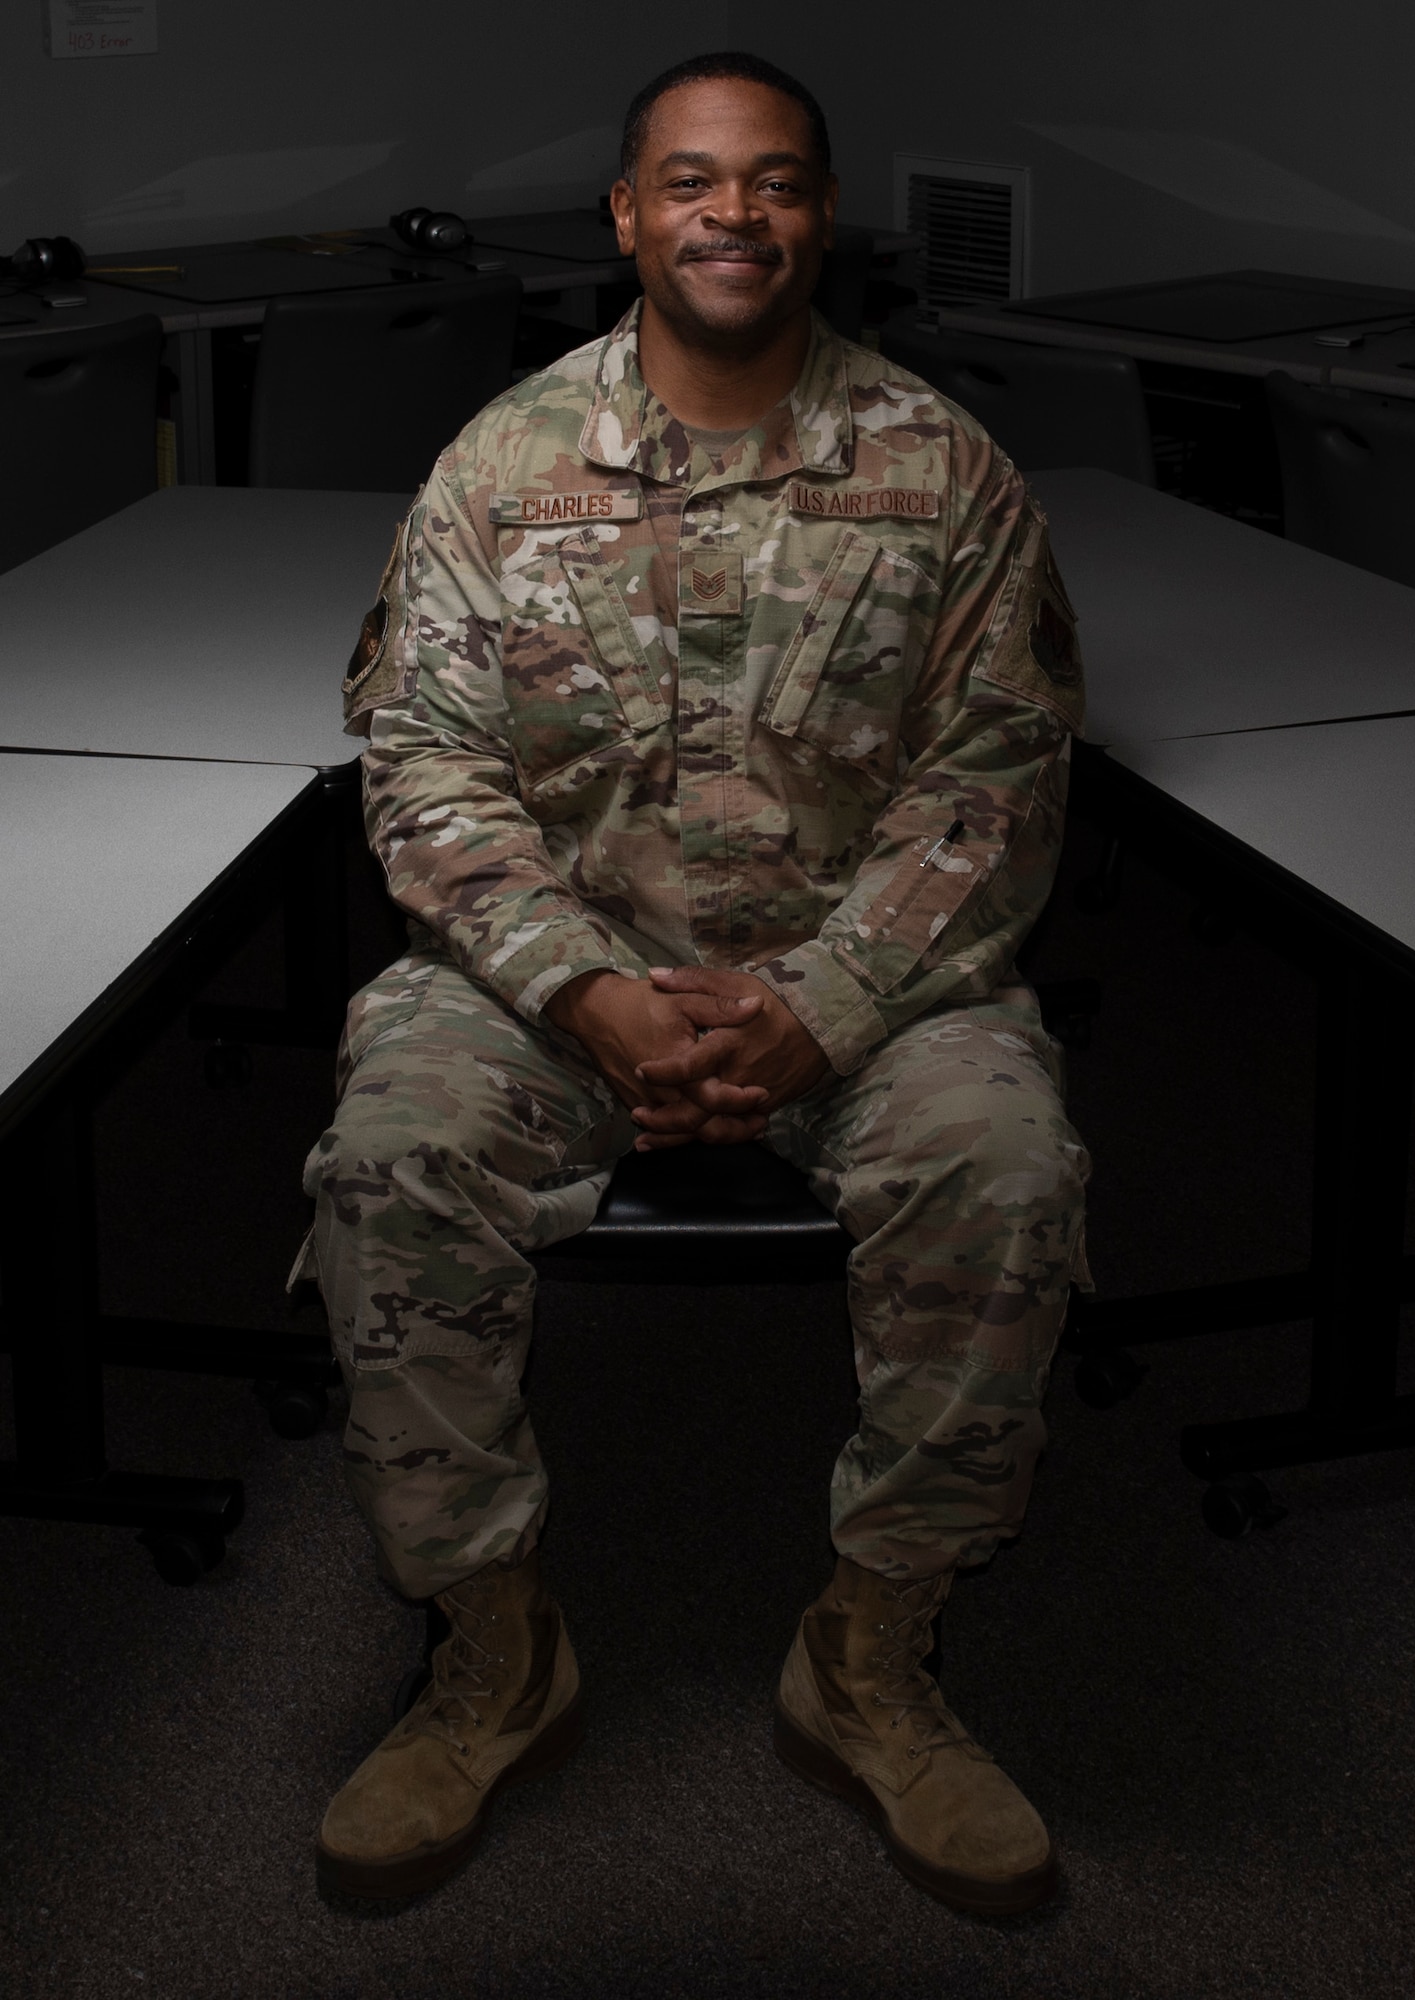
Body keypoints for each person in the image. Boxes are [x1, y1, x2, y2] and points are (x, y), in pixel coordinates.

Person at [298, 49, 1090, 1916]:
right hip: (547, 979)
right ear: (628, 215)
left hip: (867, 984)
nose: (737, 215)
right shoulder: (497, 468)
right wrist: (591, 995)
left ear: (823, 216)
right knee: (389, 1154)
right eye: (695, 182)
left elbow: (999, 778)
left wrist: (822, 1000)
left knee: (1006, 1161)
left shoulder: (942, 468)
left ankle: (874, 1645)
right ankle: (490, 1639)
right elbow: (424, 766)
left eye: (780, 182)